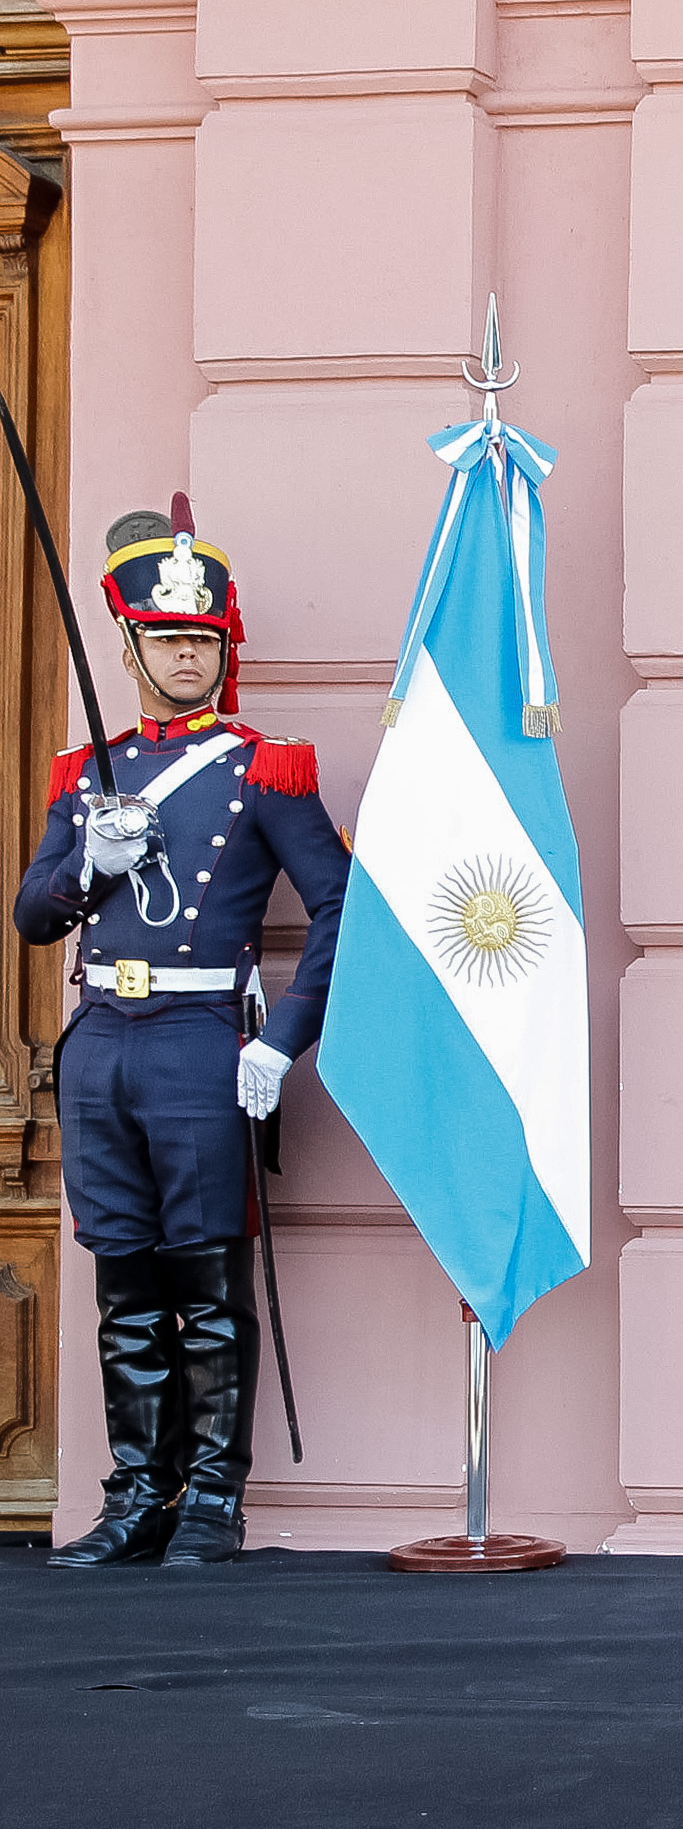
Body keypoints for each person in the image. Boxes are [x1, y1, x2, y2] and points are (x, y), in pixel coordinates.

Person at [22, 500, 346, 1569]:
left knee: (205, 1281)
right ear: (128, 648)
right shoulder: (85, 775)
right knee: (125, 1278)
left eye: (205, 639)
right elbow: (31, 917)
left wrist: (282, 1038)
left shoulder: (266, 766)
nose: (189, 655)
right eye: (168, 639)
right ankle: (137, 1496)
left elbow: (342, 907)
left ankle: (211, 1501)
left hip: (207, 1038)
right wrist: (89, 866)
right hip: (102, 1039)